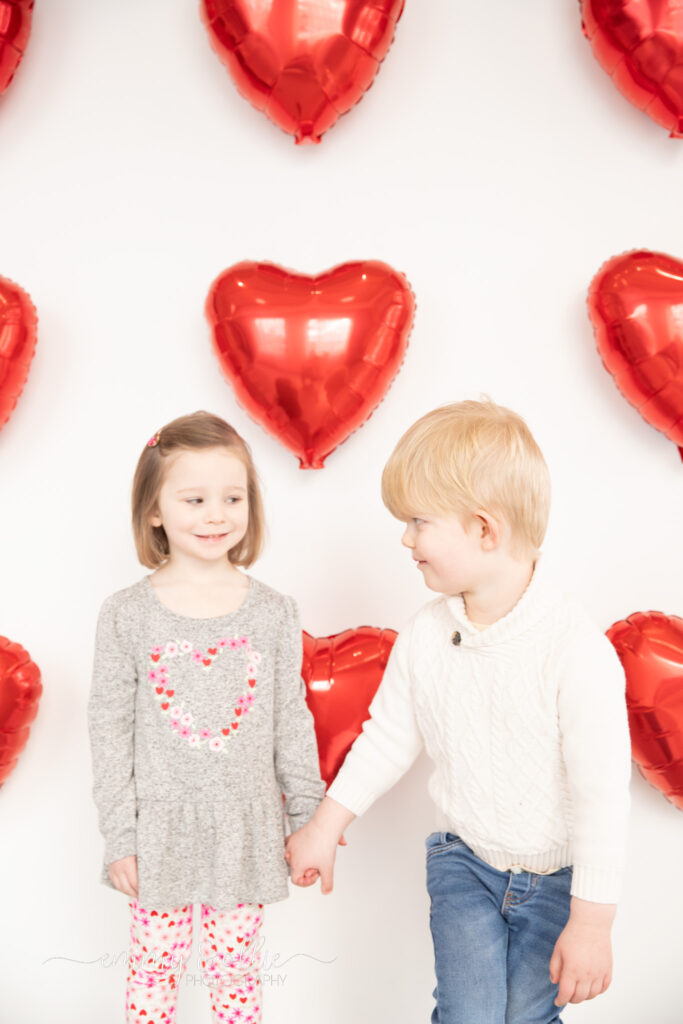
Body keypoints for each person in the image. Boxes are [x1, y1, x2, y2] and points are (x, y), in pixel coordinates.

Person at [286, 399, 632, 1023]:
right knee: (468, 1014)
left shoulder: (575, 650)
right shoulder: (425, 636)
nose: (404, 537)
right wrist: (325, 826)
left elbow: (602, 796)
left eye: (419, 520)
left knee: (528, 1017)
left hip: (559, 882)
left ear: (484, 529)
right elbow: (387, 736)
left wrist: (592, 923)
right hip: (464, 864)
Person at [88, 411, 325, 1024]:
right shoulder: (125, 615)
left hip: (245, 832)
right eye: (194, 498)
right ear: (156, 510)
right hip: (158, 832)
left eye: (232, 497)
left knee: (237, 979)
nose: (216, 514)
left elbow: (290, 722)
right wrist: (121, 835)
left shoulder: (273, 612)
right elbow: (109, 731)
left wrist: (307, 818)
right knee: (154, 971)